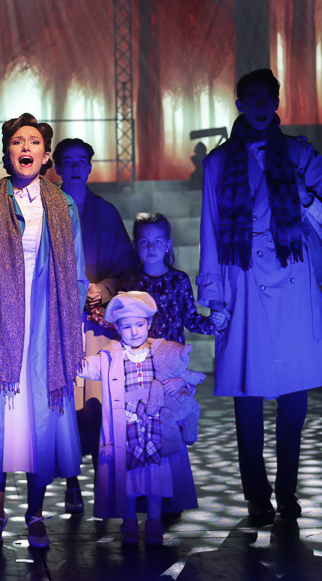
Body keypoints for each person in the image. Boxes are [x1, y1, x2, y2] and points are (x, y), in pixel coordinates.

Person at [196, 69, 322, 525]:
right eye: (252, 99)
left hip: (292, 275)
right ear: (240, 104)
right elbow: (210, 230)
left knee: (294, 400)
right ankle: (257, 496)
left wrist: (302, 196)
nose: (260, 107)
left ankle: (287, 491)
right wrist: (214, 296)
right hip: (242, 279)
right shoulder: (219, 162)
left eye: (268, 98)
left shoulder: (301, 153)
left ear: (277, 102)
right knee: (249, 397)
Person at [0, 113, 86, 550]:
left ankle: (36, 513)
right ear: (7, 153)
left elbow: (77, 274)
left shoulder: (63, 205)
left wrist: (71, 323)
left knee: (38, 419)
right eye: (18, 141)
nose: (26, 148)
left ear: (45, 155)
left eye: (34, 142)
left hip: (46, 322)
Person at [77, 292, 203, 545]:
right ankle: (129, 520)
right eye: (127, 326)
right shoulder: (110, 355)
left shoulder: (161, 351)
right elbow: (84, 367)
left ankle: (154, 520)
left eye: (139, 324)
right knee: (129, 475)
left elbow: (185, 377)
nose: (134, 331)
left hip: (156, 425)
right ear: (117, 327)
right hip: (127, 426)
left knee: (155, 473)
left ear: (149, 323)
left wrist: (181, 383)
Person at [53, 137, 137, 514]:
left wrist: (104, 288)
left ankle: (104, 480)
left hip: (99, 323)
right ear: (57, 168)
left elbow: (127, 266)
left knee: (99, 402)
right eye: (67, 161)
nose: (74, 167)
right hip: (59, 322)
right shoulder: (46, 210)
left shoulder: (106, 213)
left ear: (89, 167)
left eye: (81, 161)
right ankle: (72, 482)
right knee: (66, 403)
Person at [106, 213, 219, 344]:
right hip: (139, 353)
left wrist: (216, 323)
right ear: (135, 245)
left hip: (173, 352)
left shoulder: (179, 280)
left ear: (167, 245)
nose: (151, 247)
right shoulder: (129, 280)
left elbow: (190, 320)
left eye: (158, 241)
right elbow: (121, 320)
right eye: (144, 241)